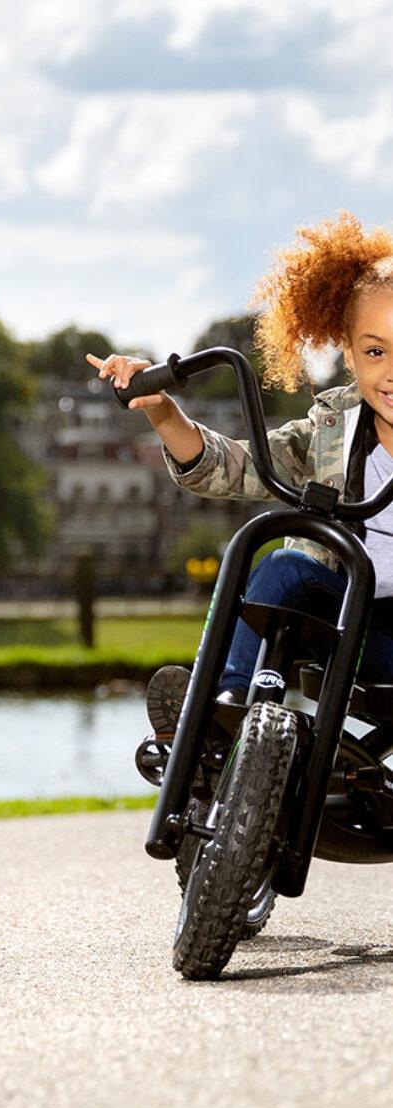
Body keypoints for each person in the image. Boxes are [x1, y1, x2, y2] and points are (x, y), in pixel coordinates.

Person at [86, 210, 393, 744]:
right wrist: (162, 411)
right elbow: (237, 467)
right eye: (375, 351)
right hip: (348, 623)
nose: (391, 370)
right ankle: (223, 709)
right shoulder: (331, 430)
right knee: (281, 563)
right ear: (349, 353)